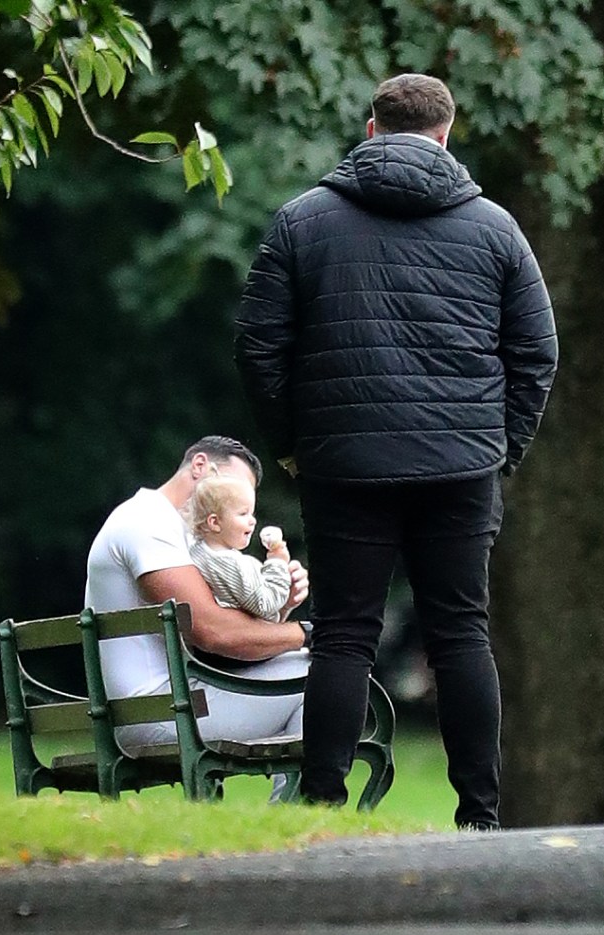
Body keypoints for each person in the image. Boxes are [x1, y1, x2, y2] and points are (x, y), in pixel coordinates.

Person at [235, 73, 558, 827]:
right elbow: (536, 351)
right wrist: (499, 447)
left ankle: (320, 803)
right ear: (446, 135)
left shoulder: (300, 222)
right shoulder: (495, 227)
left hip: (342, 462)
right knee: (459, 632)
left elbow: (257, 346)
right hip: (461, 466)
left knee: (346, 633)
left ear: (371, 128)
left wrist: (290, 446)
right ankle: (478, 815)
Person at [84, 436, 309, 755]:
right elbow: (213, 632)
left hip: (164, 706)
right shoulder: (148, 522)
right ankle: (298, 804)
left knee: (311, 665)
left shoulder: (173, 533)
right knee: (322, 669)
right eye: (230, 487)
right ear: (199, 465)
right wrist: (308, 633)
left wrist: (279, 605)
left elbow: (223, 641)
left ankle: (293, 803)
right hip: (159, 715)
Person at [187, 473, 292, 623]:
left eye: (252, 513)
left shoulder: (196, 553)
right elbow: (265, 604)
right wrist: (278, 564)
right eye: (243, 513)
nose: (253, 521)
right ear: (215, 523)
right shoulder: (232, 564)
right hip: (247, 640)